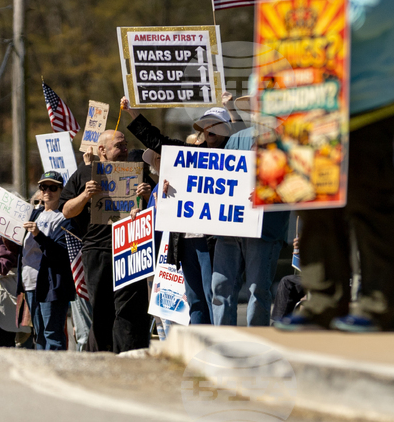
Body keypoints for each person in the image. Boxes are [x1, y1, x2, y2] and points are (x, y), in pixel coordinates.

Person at [273, 0, 394, 333]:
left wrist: (312, 5)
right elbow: (289, 13)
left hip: (372, 100)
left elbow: (361, 20)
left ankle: (377, 304)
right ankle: (323, 300)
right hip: (315, 101)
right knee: (314, 206)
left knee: (370, 204)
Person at [122, 97, 220, 326]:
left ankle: (219, 344)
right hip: (185, 240)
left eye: (215, 128)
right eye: (206, 129)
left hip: (212, 239)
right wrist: (133, 113)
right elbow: (157, 140)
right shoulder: (189, 154)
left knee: (212, 295)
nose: (209, 133)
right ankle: (199, 348)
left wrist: (232, 110)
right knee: (195, 300)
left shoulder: (230, 153)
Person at [59, 129, 152, 353]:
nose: (125, 149)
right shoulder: (84, 174)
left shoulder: (137, 172)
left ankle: (129, 356)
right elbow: (66, 211)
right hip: (98, 251)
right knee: (101, 311)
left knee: (130, 311)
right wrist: (85, 196)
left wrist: (148, 195)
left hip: (131, 247)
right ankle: (101, 358)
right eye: (119, 146)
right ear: (102, 150)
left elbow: (157, 206)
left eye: (126, 145)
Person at [212, 124, 289, 326]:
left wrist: (266, 193)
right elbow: (215, 176)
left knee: (258, 290)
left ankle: (256, 341)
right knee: (220, 287)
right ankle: (222, 341)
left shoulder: (289, 139)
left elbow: (296, 182)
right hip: (229, 228)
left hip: (264, 230)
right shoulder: (237, 139)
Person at [22, 172, 76, 350]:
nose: (47, 191)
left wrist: (38, 235)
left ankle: (55, 371)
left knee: (52, 333)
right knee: (39, 334)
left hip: (51, 283)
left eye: (53, 188)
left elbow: (61, 253)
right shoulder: (34, 214)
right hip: (31, 282)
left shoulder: (64, 217)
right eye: (43, 187)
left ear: (61, 190)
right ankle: (42, 372)